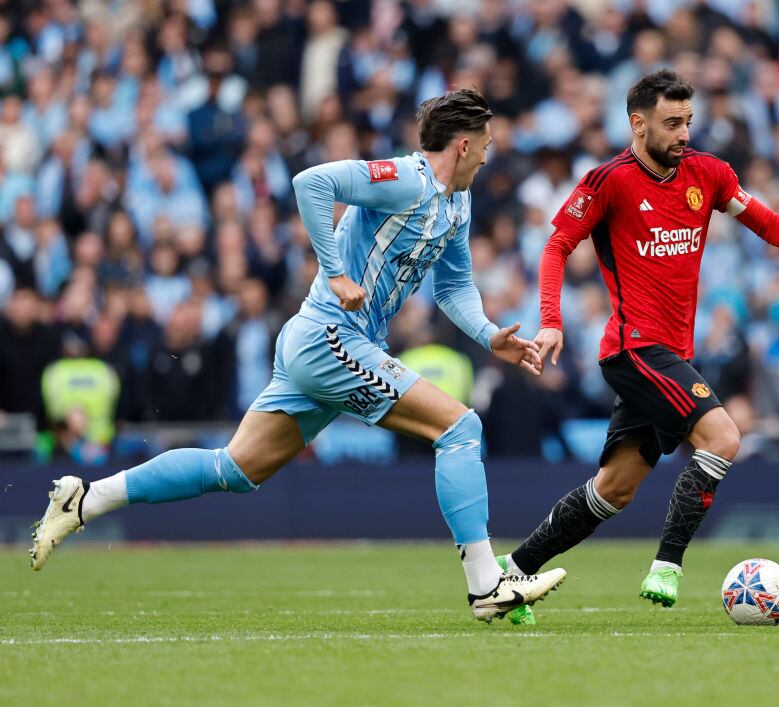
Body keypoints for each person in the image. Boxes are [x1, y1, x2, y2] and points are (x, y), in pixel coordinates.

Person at [29, 89, 566, 623]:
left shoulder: (457, 202)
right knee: (460, 429)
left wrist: (490, 334)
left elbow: (453, 287)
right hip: (330, 337)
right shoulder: (407, 179)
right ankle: (485, 586)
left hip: (328, 344)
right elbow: (312, 182)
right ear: (464, 144)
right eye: (487, 144)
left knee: (234, 469)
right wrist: (334, 271)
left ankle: (86, 499)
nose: (491, 153)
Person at [497, 70, 779, 618]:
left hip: (672, 354)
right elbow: (556, 248)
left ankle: (512, 575)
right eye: (672, 123)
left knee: (614, 490)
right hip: (632, 349)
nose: (684, 133)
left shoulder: (708, 174)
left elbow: (763, 222)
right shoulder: (608, 181)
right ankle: (667, 566)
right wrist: (551, 319)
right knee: (722, 437)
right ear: (638, 123)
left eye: (688, 121)